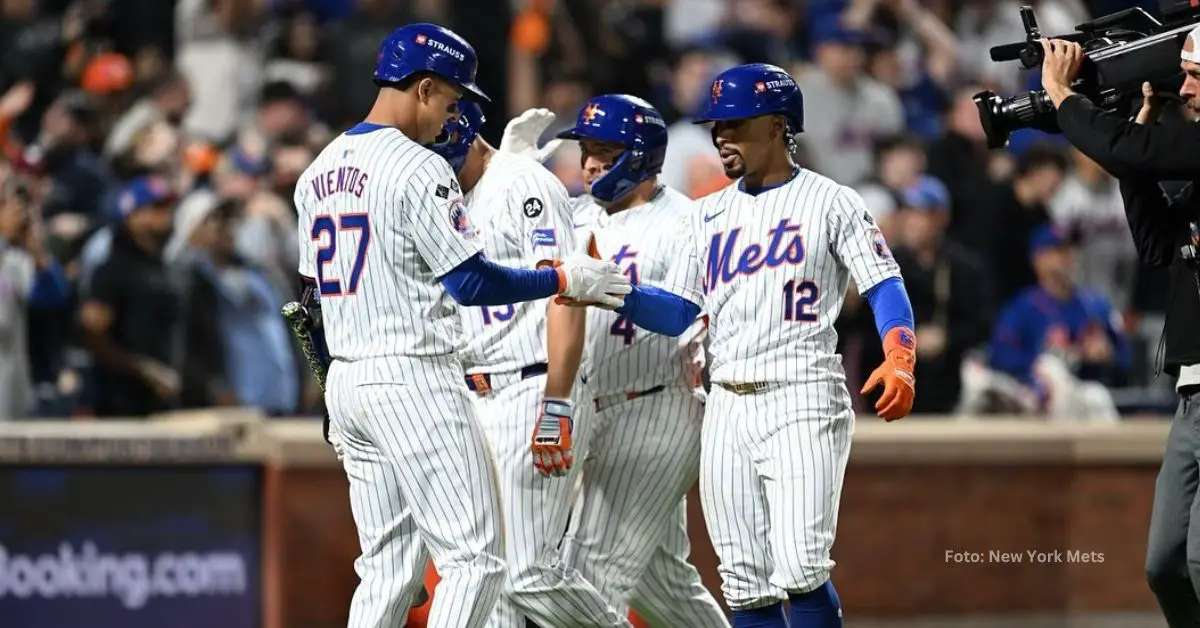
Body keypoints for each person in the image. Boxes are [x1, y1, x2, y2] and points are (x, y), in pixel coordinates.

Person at [292, 23, 630, 628]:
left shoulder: (316, 170)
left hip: (347, 381)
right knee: (475, 559)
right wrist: (560, 280)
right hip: (412, 375)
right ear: (424, 88)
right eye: (450, 100)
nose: (451, 115)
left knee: (388, 569)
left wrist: (329, 387)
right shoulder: (417, 166)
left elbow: (308, 295)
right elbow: (472, 284)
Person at [603, 63, 918, 628]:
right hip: (724, 402)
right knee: (745, 582)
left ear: (777, 125)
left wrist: (900, 356)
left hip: (801, 393)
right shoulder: (708, 214)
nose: (721, 137)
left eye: (735, 124)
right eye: (716, 127)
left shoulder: (831, 200)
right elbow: (676, 312)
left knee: (799, 569)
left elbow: (883, 283)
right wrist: (609, 291)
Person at [428, 101, 630, 628]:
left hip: (531, 382)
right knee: (488, 579)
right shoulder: (447, 193)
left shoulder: (524, 183)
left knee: (527, 571)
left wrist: (558, 402)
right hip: (474, 393)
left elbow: (567, 289)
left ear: (469, 137)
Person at [538, 94, 729, 626]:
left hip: (656, 407)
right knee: (664, 588)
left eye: (605, 149)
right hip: (598, 407)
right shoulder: (574, 215)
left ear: (642, 155)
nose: (591, 161)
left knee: (588, 577)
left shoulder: (689, 220)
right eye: (587, 150)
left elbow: (680, 315)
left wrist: (612, 287)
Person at [1039, 30, 1200, 626]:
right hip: (1192, 389)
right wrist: (1136, 156)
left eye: (1196, 78)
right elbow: (1160, 246)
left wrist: (1061, 96)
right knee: (1165, 562)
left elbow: (1130, 150)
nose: (1183, 90)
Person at [985, 225, 1129, 420]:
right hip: (1040, 403)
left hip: (1087, 396)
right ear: (1038, 260)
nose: (1068, 257)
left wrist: (1107, 355)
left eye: (1070, 250)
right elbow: (998, 357)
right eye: (1058, 252)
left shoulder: (1095, 305)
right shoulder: (1021, 308)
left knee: (1096, 396)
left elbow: (1126, 360)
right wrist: (1038, 363)